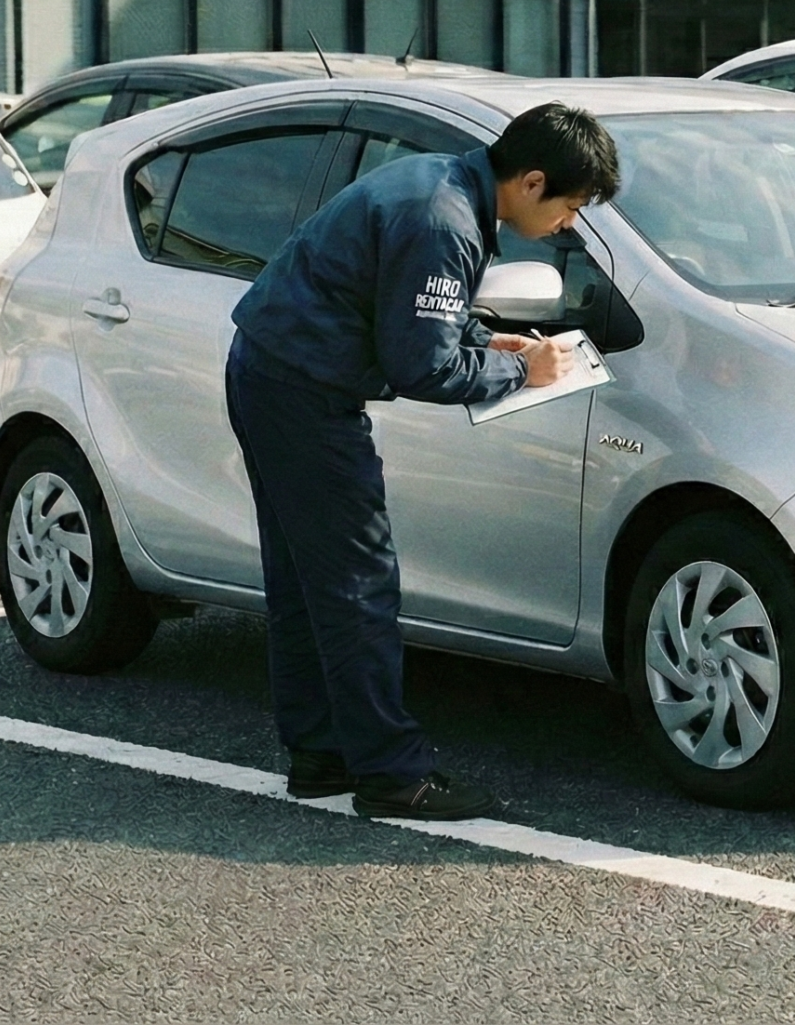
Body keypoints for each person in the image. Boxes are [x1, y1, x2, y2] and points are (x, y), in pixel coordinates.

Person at [224, 103, 621, 818]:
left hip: (270, 369)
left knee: (308, 581)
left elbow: (409, 310)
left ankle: (322, 754)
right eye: (571, 206)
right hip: (306, 393)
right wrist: (521, 371)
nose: (569, 224)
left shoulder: (441, 182)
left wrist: (486, 340)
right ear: (532, 181)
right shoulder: (446, 222)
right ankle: (391, 775)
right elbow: (422, 367)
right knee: (359, 584)